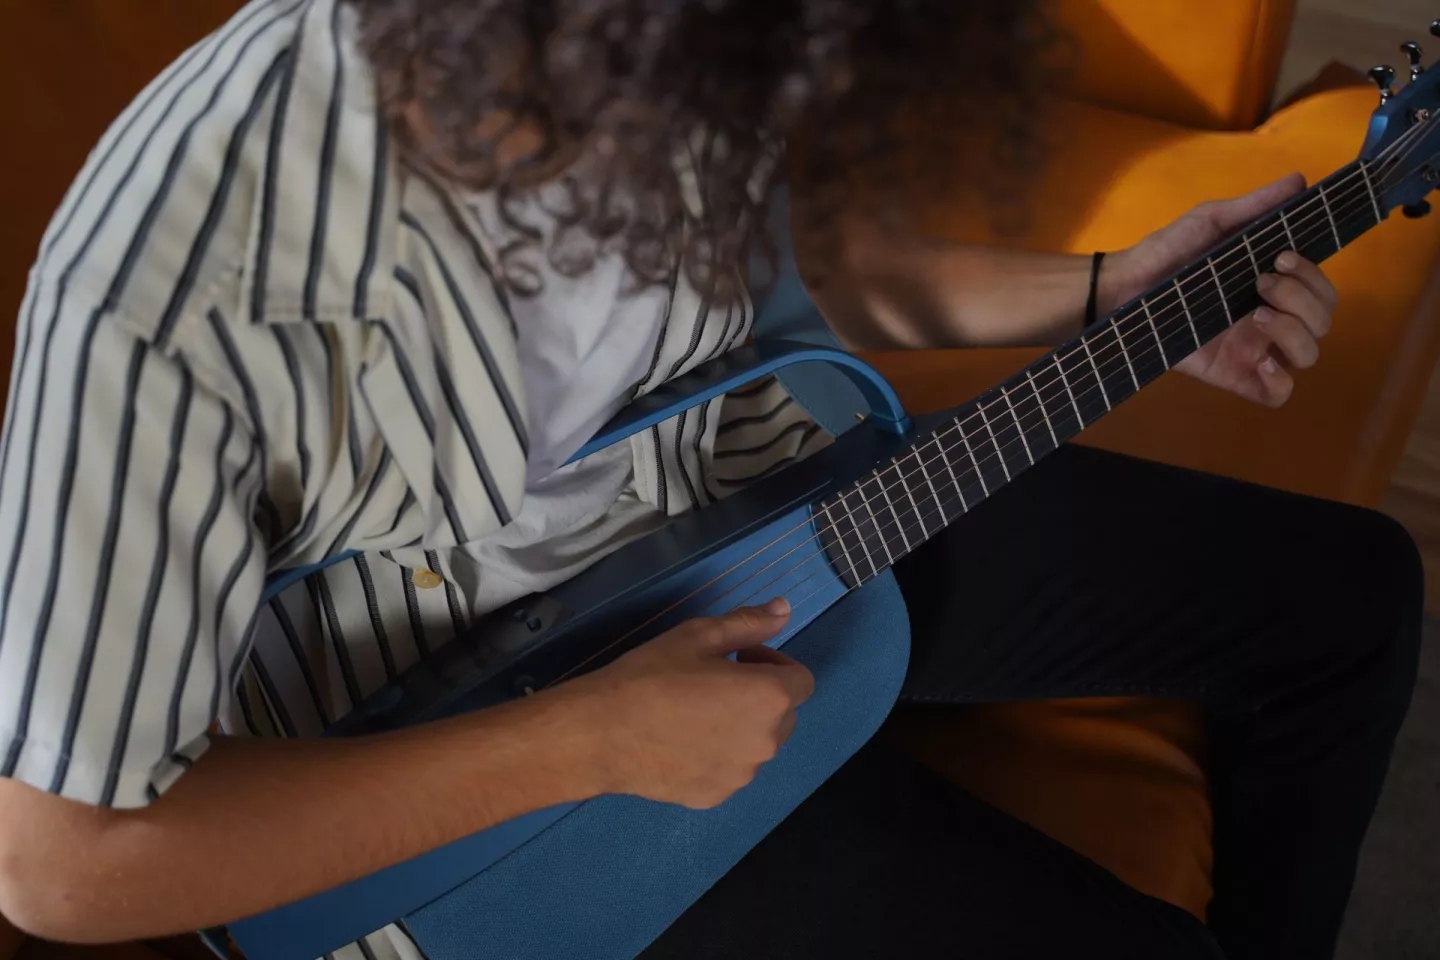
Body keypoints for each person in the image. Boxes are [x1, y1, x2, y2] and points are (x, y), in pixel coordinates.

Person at [0, 0, 1419, 958]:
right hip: (500, 783)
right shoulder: (161, 293)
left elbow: (776, 275)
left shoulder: (681, 40)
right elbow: (60, 864)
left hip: (749, 509)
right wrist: (592, 747)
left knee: (1350, 597)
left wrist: (1108, 290)